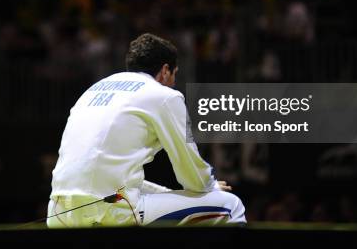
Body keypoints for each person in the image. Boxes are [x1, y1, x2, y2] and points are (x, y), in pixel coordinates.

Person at [47, 33, 246, 227]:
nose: (174, 82)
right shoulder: (165, 95)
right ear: (165, 70)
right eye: (174, 75)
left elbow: (110, 180)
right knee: (231, 206)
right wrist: (209, 188)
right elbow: (193, 177)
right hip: (111, 212)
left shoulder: (94, 90)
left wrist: (168, 193)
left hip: (58, 213)